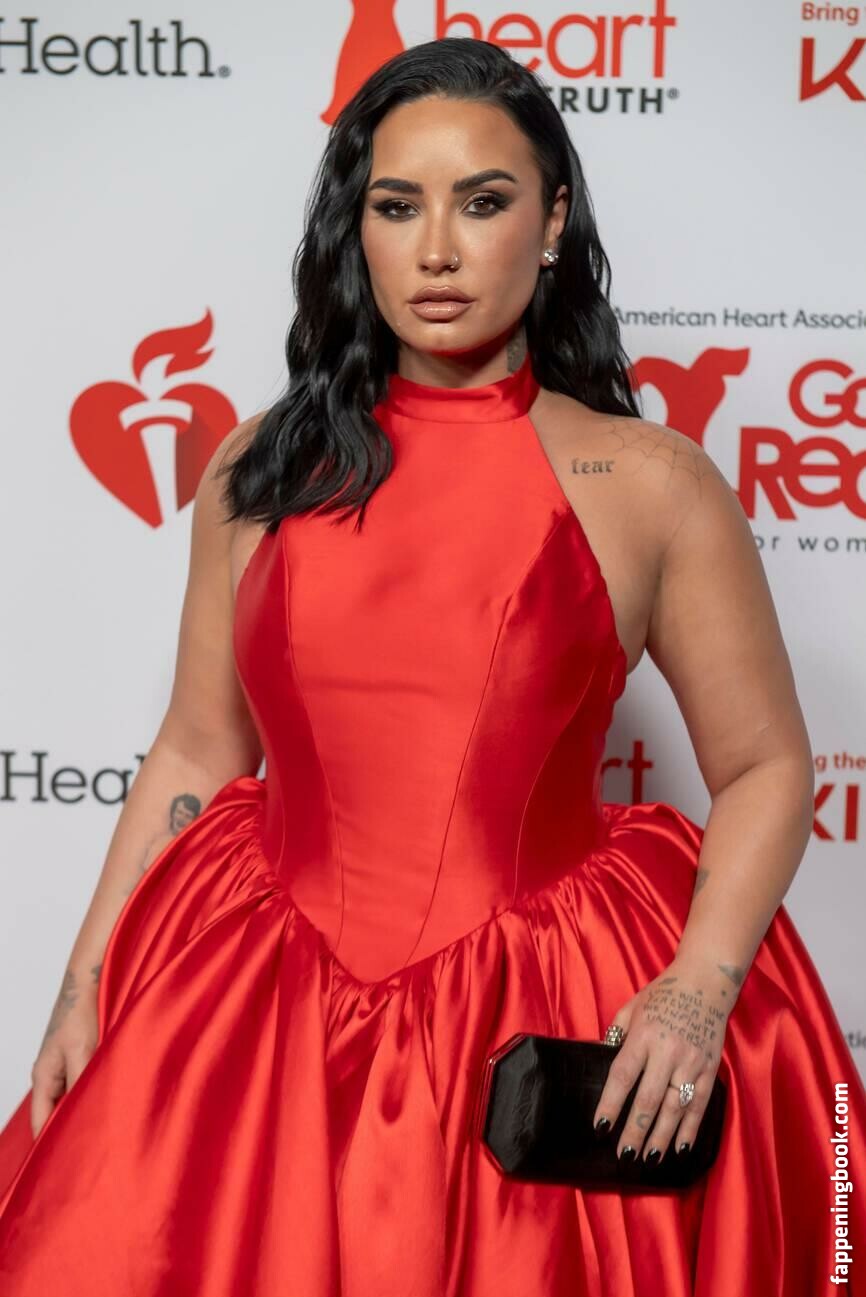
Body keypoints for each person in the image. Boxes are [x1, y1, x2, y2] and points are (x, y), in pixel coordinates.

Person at [0, 35, 864, 1297]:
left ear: (552, 220)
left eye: (483, 201)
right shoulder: (259, 465)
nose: (438, 251)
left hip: (535, 999)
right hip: (258, 998)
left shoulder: (648, 483)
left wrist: (694, 992)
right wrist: (82, 986)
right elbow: (196, 745)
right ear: (355, 230)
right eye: (396, 206)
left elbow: (766, 764)